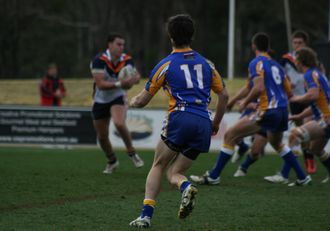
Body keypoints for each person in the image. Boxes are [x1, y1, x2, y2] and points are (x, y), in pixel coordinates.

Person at [129, 14, 228, 228]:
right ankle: (185, 187)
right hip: (203, 121)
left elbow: (143, 100)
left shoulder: (166, 64)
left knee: (158, 164)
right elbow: (225, 96)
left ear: (170, 36)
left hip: (180, 117)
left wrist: (130, 101)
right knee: (175, 173)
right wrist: (216, 123)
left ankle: (145, 216)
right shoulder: (207, 64)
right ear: (192, 35)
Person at [190, 32, 311, 187]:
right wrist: (232, 101)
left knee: (230, 135)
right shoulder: (278, 66)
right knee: (277, 144)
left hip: (269, 110)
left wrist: (245, 102)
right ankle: (302, 177)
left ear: (253, 46)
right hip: (282, 111)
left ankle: (213, 176)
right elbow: (284, 92)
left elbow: (258, 87)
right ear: (268, 47)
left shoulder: (256, 63)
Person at [90, 33, 144, 174]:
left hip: (118, 97)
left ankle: (132, 153)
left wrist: (135, 79)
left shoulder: (127, 60)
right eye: (118, 44)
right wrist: (121, 83)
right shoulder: (99, 60)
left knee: (119, 123)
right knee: (102, 136)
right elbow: (100, 84)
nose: (121, 47)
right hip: (100, 99)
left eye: (123, 45)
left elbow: (136, 76)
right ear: (109, 44)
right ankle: (112, 161)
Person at [287, 47, 330, 184]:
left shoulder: (309, 74)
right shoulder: (317, 73)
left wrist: (295, 98)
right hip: (324, 117)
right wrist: (299, 116)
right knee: (315, 149)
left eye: (296, 60)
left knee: (294, 135)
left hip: (326, 118)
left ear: (301, 61)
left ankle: (298, 176)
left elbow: (313, 95)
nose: (295, 63)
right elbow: (318, 103)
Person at [281, 30, 316, 174]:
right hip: (294, 99)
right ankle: (306, 157)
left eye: (300, 43)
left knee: (304, 130)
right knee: (300, 131)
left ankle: (309, 158)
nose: (297, 45)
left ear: (305, 43)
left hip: (308, 98)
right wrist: (288, 85)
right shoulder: (286, 59)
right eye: (295, 42)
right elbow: (281, 76)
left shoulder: (311, 59)